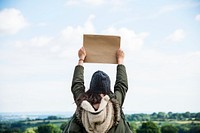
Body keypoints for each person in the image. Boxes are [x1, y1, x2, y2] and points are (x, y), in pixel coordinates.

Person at [63, 47, 132, 133]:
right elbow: (122, 84)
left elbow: (77, 84)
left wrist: (81, 59)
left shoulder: (82, 101)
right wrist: (120, 60)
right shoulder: (115, 101)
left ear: (92, 86)